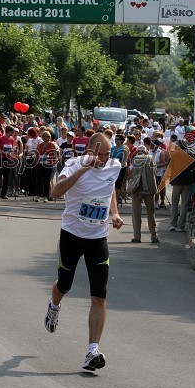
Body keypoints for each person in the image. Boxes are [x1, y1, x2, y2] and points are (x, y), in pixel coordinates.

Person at [44, 133, 123, 371]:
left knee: (99, 295)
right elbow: (56, 192)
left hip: (98, 238)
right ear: (88, 151)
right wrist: (84, 169)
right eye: (99, 154)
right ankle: (54, 306)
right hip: (71, 234)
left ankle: (92, 351)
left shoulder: (114, 166)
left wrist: (115, 213)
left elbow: (110, 189)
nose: (103, 159)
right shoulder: (74, 164)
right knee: (65, 284)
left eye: (107, 154)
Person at [130, 145, 159, 243]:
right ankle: (153, 235)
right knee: (151, 213)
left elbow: (131, 172)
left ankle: (137, 237)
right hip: (150, 189)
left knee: (136, 214)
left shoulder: (135, 159)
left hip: (137, 189)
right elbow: (154, 172)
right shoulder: (151, 158)